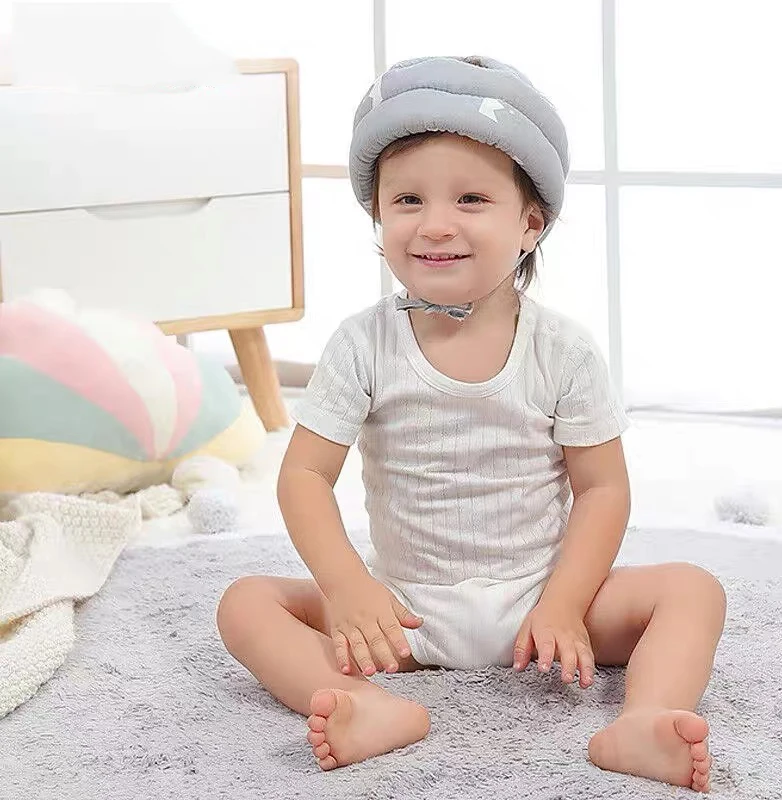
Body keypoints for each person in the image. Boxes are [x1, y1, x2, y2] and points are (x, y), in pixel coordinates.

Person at [216, 55, 726, 792]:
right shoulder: (364, 343)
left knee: (692, 589)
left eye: (471, 200)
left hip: (540, 603)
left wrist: (563, 603)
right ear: (378, 215)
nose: (436, 225)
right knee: (246, 604)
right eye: (409, 200)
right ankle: (367, 704)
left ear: (529, 223)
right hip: (405, 614)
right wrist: (351, 588)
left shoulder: (563, 348)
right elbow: (303, 475)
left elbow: (603, 489)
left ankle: (645, 720)